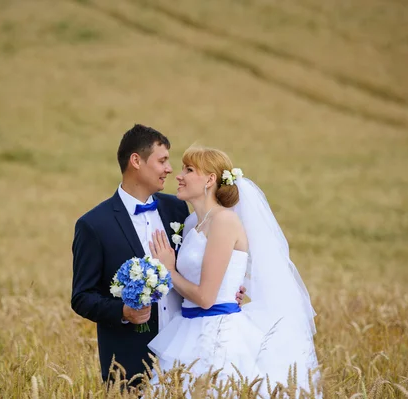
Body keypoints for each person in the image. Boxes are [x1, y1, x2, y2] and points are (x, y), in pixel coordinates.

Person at [71, 125, 245, 385]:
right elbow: (82, 297)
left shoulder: (177, 209)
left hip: (191, 348)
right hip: (131, 358)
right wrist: (124, 311)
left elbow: (202, 262)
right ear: (136, 161)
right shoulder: (94, 225)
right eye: (162, 160)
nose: (170, 169)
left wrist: (229, 289)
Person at [148, 146, 321, 397]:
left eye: (189, 169)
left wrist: (168, 271)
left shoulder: (224, 221)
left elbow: (207, 298)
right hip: (187, 329)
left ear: (210, 180)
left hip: (217, 335)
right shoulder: (191, 224)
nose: (179, 175)